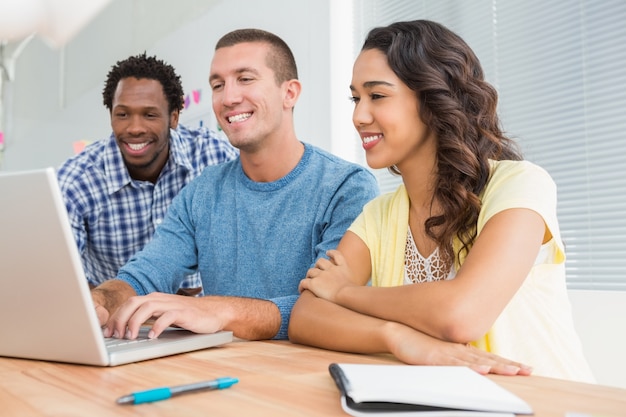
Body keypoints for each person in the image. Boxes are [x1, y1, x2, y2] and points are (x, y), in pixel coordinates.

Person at [290, 20, 595, 382]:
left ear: (434, 99)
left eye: (378, 96)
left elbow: (461, 314)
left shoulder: (519, 185)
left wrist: (344, 291)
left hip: (547, 402)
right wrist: (397, 337)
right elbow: (305, 316)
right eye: (356, 98)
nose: (359, 116)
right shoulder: (378, 215)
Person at [89, 28, 379, 343]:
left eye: (245, 79)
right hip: (222, 372)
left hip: (304, 375)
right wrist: (100, 302)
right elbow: (146, 272)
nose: (228, 98)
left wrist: (219, 311)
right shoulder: (201, 193)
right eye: (218, 85)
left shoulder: (347, 188)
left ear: (290, 93)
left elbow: (329, 305)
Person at [57, 53, 238, 293]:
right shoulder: (75, 182)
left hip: (204, 317)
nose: (134, 128)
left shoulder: (215, 158)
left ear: (174, 117)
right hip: (115, 321)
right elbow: (59, 281)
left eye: (149, 115)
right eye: (122, 114)